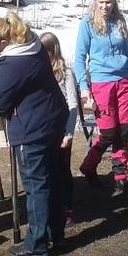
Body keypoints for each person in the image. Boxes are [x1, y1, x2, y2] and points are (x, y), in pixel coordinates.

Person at [0, 14, 66, 256]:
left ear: (1, 40)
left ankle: (37, 244)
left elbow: (0, 105)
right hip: (52, 118)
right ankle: (56, 233)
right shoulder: (29, 43)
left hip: (32, 127)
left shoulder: (15, 64)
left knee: (36, 185)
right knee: (51, 178)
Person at [74, 0, 128, 196]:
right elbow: (78, 60)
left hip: (122, 82)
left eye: (108, 2)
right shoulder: (86, 24)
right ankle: (88, 166)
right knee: (108, 133)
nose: (104, 6)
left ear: (114, 1)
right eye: (101, 2)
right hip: (101, 84)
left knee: (122, 132)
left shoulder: (120, 22)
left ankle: (120, 180)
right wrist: (85, 89)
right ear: (95, 2)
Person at [40, 32, 79, 227]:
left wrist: (69, 133)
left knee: (63, 169)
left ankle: (67, 209)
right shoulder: (38, 71)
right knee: (47, 169)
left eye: (43, 52)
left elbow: (73, 106)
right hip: (44, 130)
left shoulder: (66, 73)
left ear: (53, 51)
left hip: (62, 130)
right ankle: (51, 209)